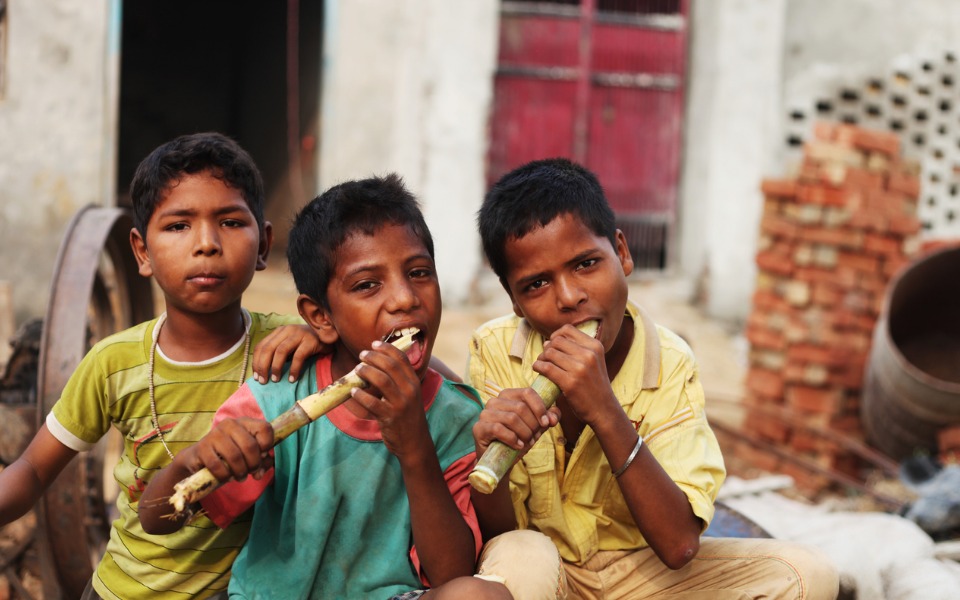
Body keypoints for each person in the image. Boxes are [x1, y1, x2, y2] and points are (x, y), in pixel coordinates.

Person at [467, 158, 840, 599]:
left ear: (622, 254)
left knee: (805, 573)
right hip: (549, 580)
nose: (569, 297)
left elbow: (679, 544)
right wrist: (488, 452)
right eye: (536, 285)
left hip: (643, 577)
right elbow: (498, 535)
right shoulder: (495, 349)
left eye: (586, 264)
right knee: (521, 551)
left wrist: (605, 410)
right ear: (514, 300)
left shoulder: (672, 363)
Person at [139, 174, 512, 600]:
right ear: (321, 318)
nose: (405, 299)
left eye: (419, 272)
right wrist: (190, 465)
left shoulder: (457, 418)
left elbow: (451, 572)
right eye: (367, 285)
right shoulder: (279, 396)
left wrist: (414, 446)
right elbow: (156, 520)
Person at [0, 132, 323, 600]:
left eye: (231, 222)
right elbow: (32, 470)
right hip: (122, 590)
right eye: (178, 226)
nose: (207, 244)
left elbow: (396, 359)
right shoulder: (114, 364)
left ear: (263, 244)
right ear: (142, 252)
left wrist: (326, 334)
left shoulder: (290, 347)